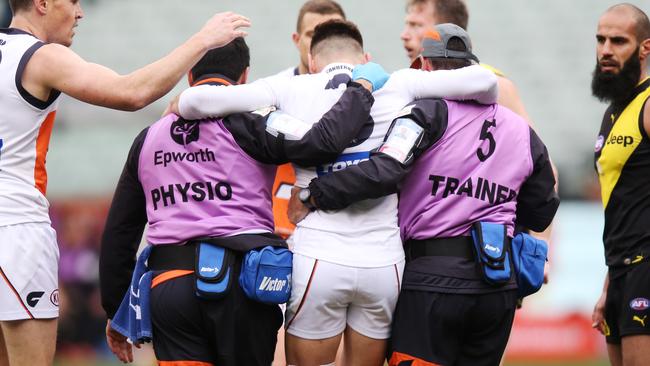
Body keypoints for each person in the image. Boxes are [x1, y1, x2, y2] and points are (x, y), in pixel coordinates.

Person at [171, 19, 498, 366]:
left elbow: (193, 101)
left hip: (319, 257)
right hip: (383, 260)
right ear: (366, 57)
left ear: (312, 62)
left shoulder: (291, 88)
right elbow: (486, 81)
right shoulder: (399, 82)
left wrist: (176, 105)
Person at [99, 37, 381, 365]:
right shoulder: (252, 121)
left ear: (190, 76)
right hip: (242, 287)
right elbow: (320, 143)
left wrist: (116, 310)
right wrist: (362, 89)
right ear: (244, 77)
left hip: (170, 287)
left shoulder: (148, 138)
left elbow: (120, 231)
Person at [294, 23, 559, 366]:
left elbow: (384, 171)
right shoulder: (521, 130)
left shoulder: (426, 113)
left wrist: (314, 194)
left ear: (426, 68)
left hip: (432, 281)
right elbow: (542, 208)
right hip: (497, 286)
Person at [0, 0, 249, 364]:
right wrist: (202, 41)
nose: (80, 12)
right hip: (18, 226)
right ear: (42, 3)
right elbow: (132, 92)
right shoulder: (41, 57)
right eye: (72, 2)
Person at [590, 4, 650, 366]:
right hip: (620, 268)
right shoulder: (613, 110)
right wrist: (609, 284)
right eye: (600, 40)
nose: (606, 50)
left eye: (618, 41)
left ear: (645, 48)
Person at [273, 0, 346, 239]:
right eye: (312, 34)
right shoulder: (274, 90)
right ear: (296, 40)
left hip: (338, 222)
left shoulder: (362, 92)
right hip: (279, 222)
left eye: (331, 33)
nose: (321, 43)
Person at [400, 0, 533, 122]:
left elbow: (529, 145)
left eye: (416, 25)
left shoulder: (498, 85)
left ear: (449, 29)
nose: (404, 35)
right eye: (407, 25)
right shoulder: (412, 81)